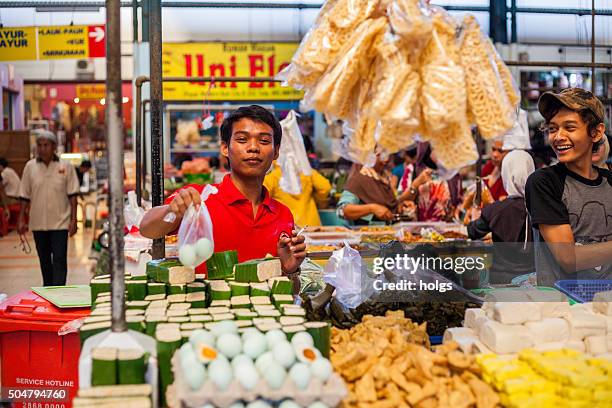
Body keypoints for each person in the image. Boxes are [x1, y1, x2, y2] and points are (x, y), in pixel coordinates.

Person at [140, 105, 306, 285]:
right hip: (205, 309)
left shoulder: (283, 215)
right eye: (242, 139)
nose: (253, 147)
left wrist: (289, 270)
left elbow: (291, 292)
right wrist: (172, 211)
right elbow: (147, 228)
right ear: (225, 148)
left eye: (264, 141)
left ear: (276, 152)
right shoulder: (200, 198)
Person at [525, 88, 612, 286]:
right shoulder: (544, 183)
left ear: (596, 132)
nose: (558, 137)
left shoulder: (610, 182)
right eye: (553, 128)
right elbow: (568, 258)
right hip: (563, 309)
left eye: (570, 128)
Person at [18, 130, 80, 286]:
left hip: (60, 222)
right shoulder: (30, 167)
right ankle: (48, 291)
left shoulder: (65, 166)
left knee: (59, 259)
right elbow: (24, 195)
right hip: (38, 223)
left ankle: (58, 291)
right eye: (39, 145)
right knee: (44, 261)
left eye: (46, 145)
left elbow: (73, 195)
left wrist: (74, 220)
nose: (42, 148)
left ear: (53, 146)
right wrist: (21, 219)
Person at [467, 150, 535, 283]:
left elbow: (472, 231)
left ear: (506, 174)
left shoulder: (495, 210)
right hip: (534, 278)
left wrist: (475, 216)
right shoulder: (543, 207)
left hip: (500, 281)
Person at [337, 155, 430, 225]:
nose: (386, 159)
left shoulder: (384, 177)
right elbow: (342, 210)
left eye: (387, 154)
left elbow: (388, 206)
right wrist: (371, 208)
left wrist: (400, 206)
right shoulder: (358, 179)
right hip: (366, 242)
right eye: (380, 154)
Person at [264, 163, 331, 227]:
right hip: (310, 225)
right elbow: (325, 187)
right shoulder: (307, 172)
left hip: (284, 226)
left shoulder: (272, 177)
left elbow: (261, 199)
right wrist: (319, 200)